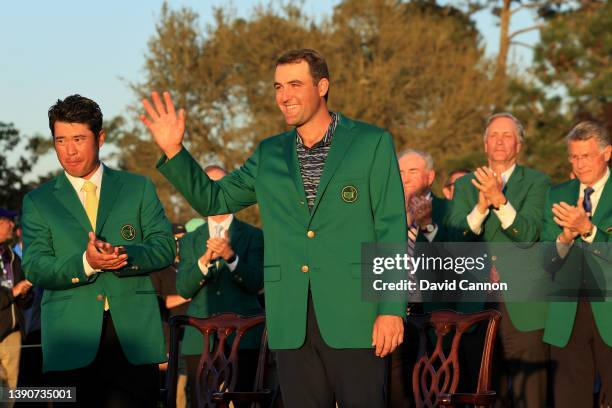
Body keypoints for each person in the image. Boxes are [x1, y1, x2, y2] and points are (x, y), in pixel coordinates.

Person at [141, 48, 407, 407]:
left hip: (357, 317)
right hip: (290, 321)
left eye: (295, 84)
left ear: (323, 86)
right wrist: (175, 151)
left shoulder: (370, 143)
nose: (284, 95)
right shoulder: (269, 153)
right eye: (278, 86)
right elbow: (213, 201)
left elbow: (390, 228)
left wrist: (391, 309)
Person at [21, 94, 175, 407]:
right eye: (60, 140)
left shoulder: (138, 187)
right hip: (70, 338)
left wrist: (124, 255)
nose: (69, 150)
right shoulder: (39, 201)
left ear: (100, 138)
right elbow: (35, 266)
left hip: (132, 337)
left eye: (78, 138)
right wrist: (86, 264)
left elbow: (164, 247)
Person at [447, 113, 551, 408]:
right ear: (484, 144)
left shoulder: (537, 182)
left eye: (507, 136)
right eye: (494, 135)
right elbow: (455, 240)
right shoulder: (466, 185)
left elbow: (529, 234)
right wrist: (480, 207)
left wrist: (501, 201)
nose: (500, 141)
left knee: (529, 393)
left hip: (523, 304)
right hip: (476, 303)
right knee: (479, 391)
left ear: (519, 145)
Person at [177, 165, 264, 405]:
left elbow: (256, 283)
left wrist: (231, 257)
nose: (213, 192)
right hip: (199, 338)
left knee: (245, 400)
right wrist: (204, 261)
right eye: (208, 186)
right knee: (199, 401)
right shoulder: (189, 241)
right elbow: (184, 289)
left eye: (220, 186)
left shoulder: (254, 236)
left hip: (244, 336)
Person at [541, 121, 612, 407]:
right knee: (570, 399)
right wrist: (565, 237)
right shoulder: (556, 194)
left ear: (607, 153)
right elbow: (546, 259)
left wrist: (589, 231)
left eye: (586, 156)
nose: (579, 164)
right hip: (567, 314)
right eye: (574, 157)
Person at [390, 149, 451, 407]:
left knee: (431, 390)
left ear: (430, 176)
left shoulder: (450, 210)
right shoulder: (386, 213)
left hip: (435, 316)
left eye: (412, 171)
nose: (404, 178)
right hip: (393, 314)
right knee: (397, 389)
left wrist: (425, 225)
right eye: (400, 172)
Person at [0, 210, 32, 407]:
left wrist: (26, 292)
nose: (12, 225)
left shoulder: (13, 258)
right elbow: (11, 292)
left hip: (13, 334)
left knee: (9, 393)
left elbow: (24, 303)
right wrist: (13, 292)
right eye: (8, 221)